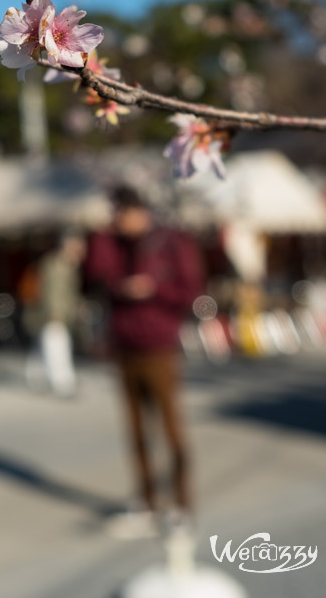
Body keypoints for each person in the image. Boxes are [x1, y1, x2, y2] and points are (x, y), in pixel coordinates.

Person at [84, 185, 203, 540]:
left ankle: (182, 506)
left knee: (170, 428)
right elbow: (95, 274)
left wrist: (153, 288)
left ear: (142, 211)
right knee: (135, 432)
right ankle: (148, 502)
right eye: (116, 215)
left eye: (125, 213)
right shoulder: (113, 244)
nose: (121, 220)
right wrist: (102, 236)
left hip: (160, 346)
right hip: (125, 345)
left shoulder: (170, 243)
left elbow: (191, 291)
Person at [33, 233, 86, 398]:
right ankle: (62, 383)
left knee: (46, 346)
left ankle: (38, 377)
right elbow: (52, 292)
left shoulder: (68, 264)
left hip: (59, 312)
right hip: (55, 313)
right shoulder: (57, 265)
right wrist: (55, 313)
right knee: (57, 346)